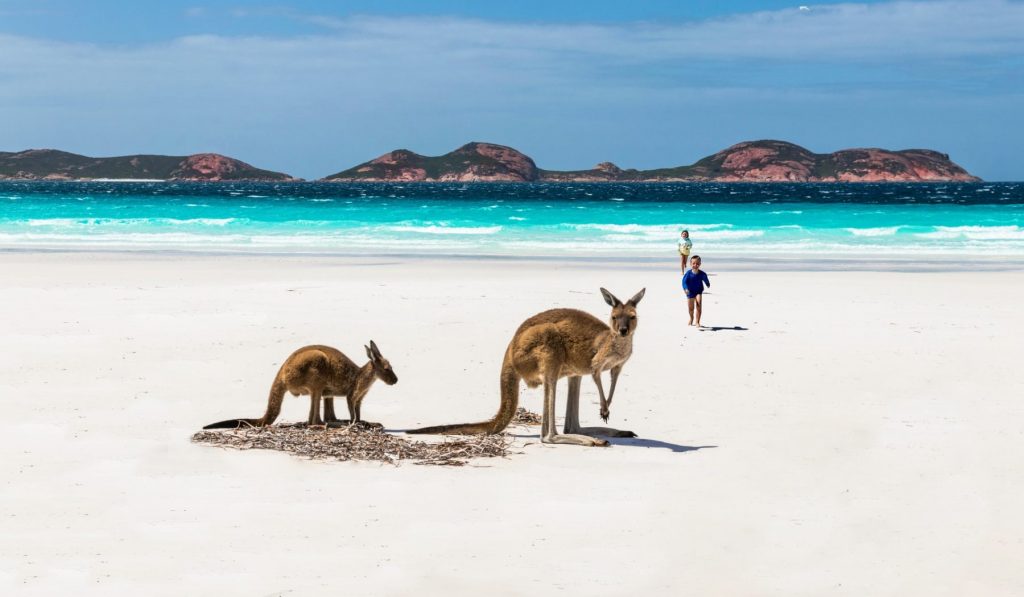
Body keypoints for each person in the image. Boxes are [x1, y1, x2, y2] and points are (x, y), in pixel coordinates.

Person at [682, 255, 710, 327]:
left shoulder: (702, 274)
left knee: (699, 305)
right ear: (690, 264)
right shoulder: (688, 273)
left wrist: (707, 283)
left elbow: (705, 278)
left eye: (697, 263)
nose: (695, 265)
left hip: (698, 291)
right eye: (694, 263)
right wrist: (685, 289)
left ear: (700, 264)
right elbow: (684, 282)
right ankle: (691, 318)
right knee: (691, 308)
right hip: (690, 292)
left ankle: (697, 321)